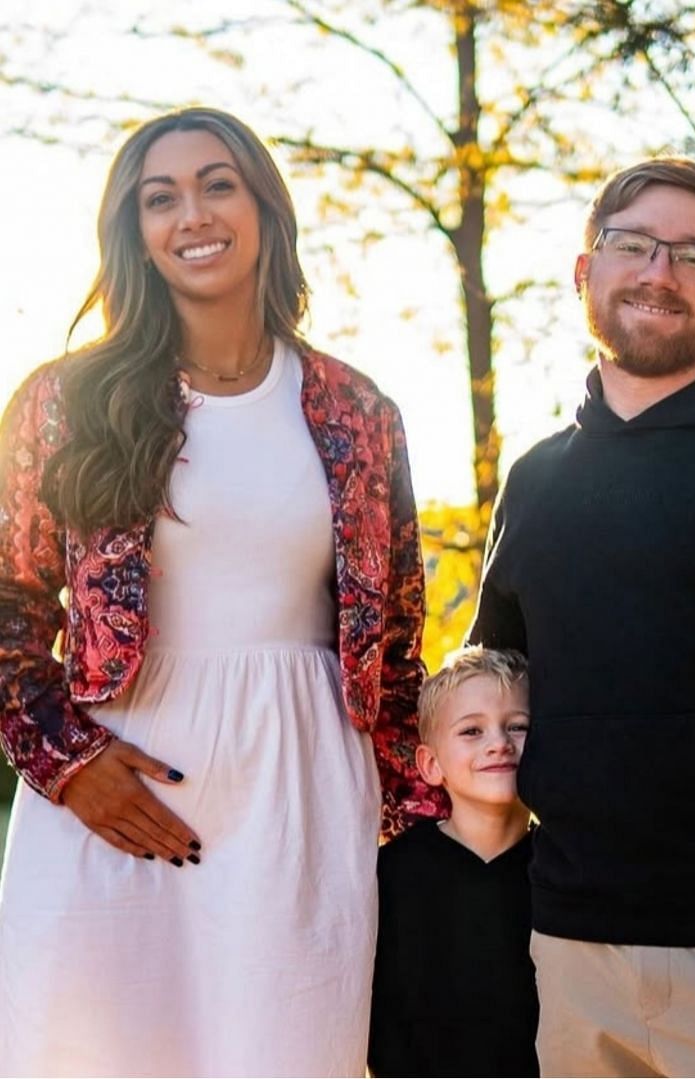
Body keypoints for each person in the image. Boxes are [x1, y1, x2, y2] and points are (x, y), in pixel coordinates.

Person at [0, 106, 438, 1076]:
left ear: (263, 207)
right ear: (136, 232)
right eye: (161, 197)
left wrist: (417, 816)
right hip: (112, 793)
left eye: (217, 184)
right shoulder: (64, 402)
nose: (191, 213)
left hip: (301, 798)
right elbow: (8, 614)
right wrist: (69, 764)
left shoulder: (359, 411)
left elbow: (399, 636)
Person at [467, 157, 695, 1077]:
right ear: (586, 271)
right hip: (570, 941)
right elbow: (496, 684)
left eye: (694, 256)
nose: (660, 273)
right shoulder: (537, 478)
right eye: (635, 246)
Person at [369, 647, 538, 1078]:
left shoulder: (563, 868)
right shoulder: (391, 874)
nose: (499, 743)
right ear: (429, 764)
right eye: (471, 731)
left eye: (517, 726)